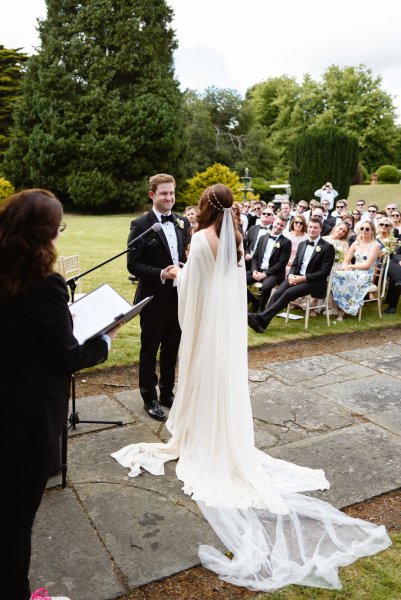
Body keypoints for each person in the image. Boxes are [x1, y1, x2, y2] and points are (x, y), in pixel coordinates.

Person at [112, 185, 390, 593]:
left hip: (206, 327)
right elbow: (227, 283)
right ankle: (211, 428)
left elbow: (194, 287)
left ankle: (199, 433)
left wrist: (180, 274)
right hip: (223, 332)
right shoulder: (234, 237)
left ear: (206, 206)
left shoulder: (204, 239)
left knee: (197, 376)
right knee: (216, 382)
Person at [0, 189, 120, 600]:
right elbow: (67, 356)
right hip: (26, 420)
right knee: (15, 524)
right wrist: (105, 340)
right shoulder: (44, 284)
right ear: (43, 234)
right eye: (58, 228)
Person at [127, 174, 190, 422]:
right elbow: (133, 264)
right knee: (150, 348)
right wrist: (160, 273)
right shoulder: (140, 225)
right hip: (153, 298)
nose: (169, 197)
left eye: (172, 193)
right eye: (164, 193)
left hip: (178, 296)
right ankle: (149, 397)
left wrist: (182, 265)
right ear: (152, 195)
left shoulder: (182, 222)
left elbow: (179, 255)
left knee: (172, 347)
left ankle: (166, 393)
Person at [248, 217, 335, 332]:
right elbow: (295, 264)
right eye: (310, 227)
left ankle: (260, 318)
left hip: (313, 282)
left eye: (315, 227)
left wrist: (302, 278)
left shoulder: (328, 248)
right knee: (277, 293)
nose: (312, 230)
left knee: (288, 293)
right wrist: (291, 275)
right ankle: (262, 324)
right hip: (296, 278)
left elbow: (324, 272)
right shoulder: (302, 244)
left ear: (320, 229)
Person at [331, 221, 381, 320]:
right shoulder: (356, 242)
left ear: (372, 231)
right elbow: (346, 260)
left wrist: (351, 267)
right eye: (362, 228)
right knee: (335, 275)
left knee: (346, 278)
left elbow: (367, 265)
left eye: (367, 229)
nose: (364, 231)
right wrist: (344, 267)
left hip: (366, 274)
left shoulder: (375, 245)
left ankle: (342, 311)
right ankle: (339, 307)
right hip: (354, 271)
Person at [247, 213, 292, 311]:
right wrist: (254, 270)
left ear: (284, 227)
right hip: (258, 270)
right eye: (278, 224)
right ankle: (254, 302)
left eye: (282, 225)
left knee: (266, 287)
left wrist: (264, 274)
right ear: (273, 222)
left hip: (274, 273)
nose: (279, 227)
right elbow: (255, 258)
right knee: (239, 280)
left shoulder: (286, 242)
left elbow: (281, 264)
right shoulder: (263, 238)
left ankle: (261, 308)